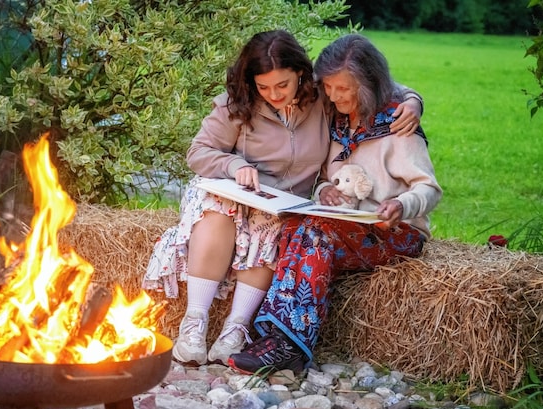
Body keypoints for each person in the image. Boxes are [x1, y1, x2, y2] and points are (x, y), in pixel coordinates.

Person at [143, 30, 423, 366]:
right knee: (219, 211)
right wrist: (234, 164)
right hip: (230, 190)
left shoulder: (322, 96)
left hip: (282, 202)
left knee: (271, 226)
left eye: (282, 86)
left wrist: (413, 100)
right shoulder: (237, 104)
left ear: (302, 75)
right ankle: (194, 325)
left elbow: (375, 83)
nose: (273, 95)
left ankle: (235, 329)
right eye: (264, 87)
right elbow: (198, 152)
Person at [228, 33, 443, 374]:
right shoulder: (338, 119)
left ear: (368, 84)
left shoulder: (399, 127)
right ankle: (273, 334)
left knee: (316, 234)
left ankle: (289, 345)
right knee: (298, 224)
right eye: (328, 87)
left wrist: (402, 205)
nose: (332, 95)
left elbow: (430, 189)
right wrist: (325, 190)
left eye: (343, 89)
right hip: (347, 224)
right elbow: (330, 178)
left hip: (396, 230)